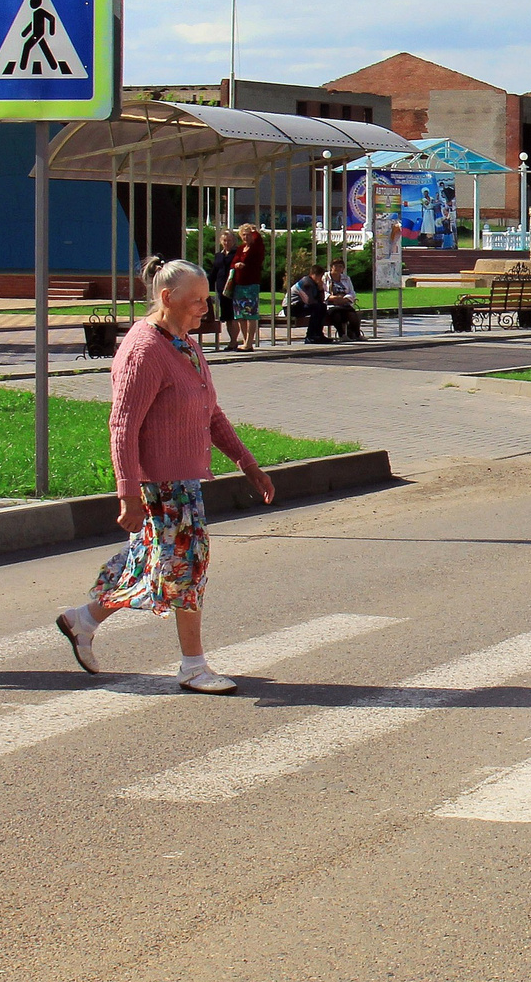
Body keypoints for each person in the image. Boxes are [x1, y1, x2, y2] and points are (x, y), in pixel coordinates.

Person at [56, 260, 276, 693]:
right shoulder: (143, 349)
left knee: (150, 562)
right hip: (161, 484)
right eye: (196, 300)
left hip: (185, 480)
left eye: (206, 299)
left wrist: (248, 465)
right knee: (187, 568)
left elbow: (210, 412)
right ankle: (193, 667)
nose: (204, 308)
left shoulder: (185, 344)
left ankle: (82, 621)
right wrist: (128, 494)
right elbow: (122, 426)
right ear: (166, 298)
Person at [228, 223, 266, 351]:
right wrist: (236, 264)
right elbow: (232, 263)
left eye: (248, 235)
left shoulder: (256, 248)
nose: (246, 237)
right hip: (239, 285)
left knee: (251, 314)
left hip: (251, 284)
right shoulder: (240, 248)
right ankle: (245, 341)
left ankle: (250, 342)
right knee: (240, 315)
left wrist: (255, 232)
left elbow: (259, 243)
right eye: (243, 235)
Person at [286, 265, 328, 343]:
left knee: (322, 307)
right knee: (317, 308)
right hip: (291, 307)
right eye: (320, 276)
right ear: (313, 274)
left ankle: (318, 334)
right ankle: (310, 336)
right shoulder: (306, 283)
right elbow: (308, 300)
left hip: (302, 305)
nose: (321, 278)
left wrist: (320, 289)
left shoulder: (315, 284)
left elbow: (321, 300)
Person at [322, 259, 360, 340]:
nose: (338, 268)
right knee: (336, 314)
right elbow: (323, 291)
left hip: (344, 303)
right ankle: (342, 335)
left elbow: (352, 292)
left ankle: (356, 334)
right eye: (335, 266)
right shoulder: (325, 278)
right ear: (331, 267)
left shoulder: (346, 278)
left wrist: (345, 299)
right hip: (331, 304)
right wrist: (333, 298)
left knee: (353, 316)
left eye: (340, 266)